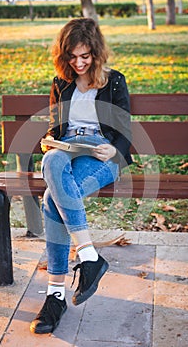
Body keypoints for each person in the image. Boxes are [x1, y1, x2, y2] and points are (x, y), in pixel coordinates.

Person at [30, 17, 132, 335]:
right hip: (66, 152)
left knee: (50, 199)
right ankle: (89, 256)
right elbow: (54, 127)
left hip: (101, 155)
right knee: (52, 161)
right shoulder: (61, 82)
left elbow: (125, 132)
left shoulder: (114, 81)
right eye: (72, 56)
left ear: (96, 53)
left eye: (85, 56)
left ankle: (55, 295)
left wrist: (113, 150)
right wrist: (50, 141)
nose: (78, 62)